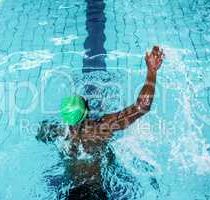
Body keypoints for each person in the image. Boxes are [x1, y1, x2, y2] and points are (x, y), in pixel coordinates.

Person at [37, 46, 165, 199]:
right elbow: (142, 107)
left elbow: (40, 134)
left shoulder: (57, 131)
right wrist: (152, 71)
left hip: (71, 191)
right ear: (86, 110)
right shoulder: (101, 128)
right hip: (97, 189)